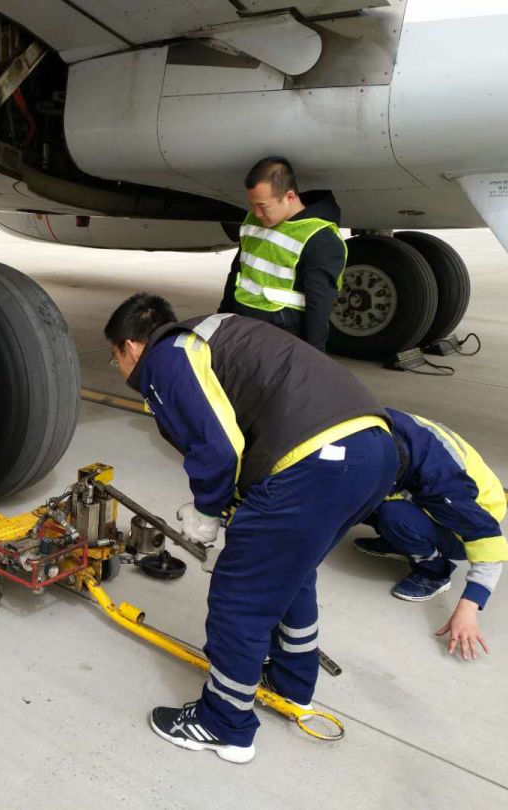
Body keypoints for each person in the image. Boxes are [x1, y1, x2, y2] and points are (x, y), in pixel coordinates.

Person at [105, 293, 397, 764]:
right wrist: (234, 515)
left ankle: (223, 724)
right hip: (372, 451)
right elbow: (248, 428)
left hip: (311, 463)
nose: (120, 368)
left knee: (239, 598)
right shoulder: (212, 336)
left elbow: (218, 448)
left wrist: (207, 514)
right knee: (291, 575)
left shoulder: (165, 358)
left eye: (115, 356)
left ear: (131, 347)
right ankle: (291, 684)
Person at [356, 408, 508, 661]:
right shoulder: (376, 423)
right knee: (355, 500)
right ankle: (400, 541)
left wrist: (469, 606)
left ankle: (434, 571)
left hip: (462, 528)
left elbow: (490, 543)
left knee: (391, 515)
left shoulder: (445, 485)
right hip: (428, 500)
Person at [218, 156, 346, 352]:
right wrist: (221, 321)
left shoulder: (319, 239)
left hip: (281, 343)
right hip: (242, 332)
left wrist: (313, 358)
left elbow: (318, 308)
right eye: (253, 205)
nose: (257, 213)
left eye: (263, 206)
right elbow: (237, 273)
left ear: (290, 197)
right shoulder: (254, 221)